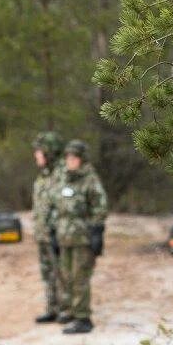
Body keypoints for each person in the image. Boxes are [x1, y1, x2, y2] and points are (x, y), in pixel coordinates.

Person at [52, 139, 108, 334]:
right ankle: (70, 310)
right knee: (65, 275)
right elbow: (57, 207)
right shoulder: (64, 178)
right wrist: (55, 232)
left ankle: (83, 317)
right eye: (68, 156)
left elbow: (100, 208)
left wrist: (97, 233)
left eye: (73, 157)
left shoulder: (90, 180)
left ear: (82, 159)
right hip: (65, 236)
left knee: (79, 277)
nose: (70, 160)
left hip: (82, 238)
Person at [30, 131, 66, 323]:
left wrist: (55, 228)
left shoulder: (62, 174)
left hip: (57, 234)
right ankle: (52, 308)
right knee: (47, 272)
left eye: (39, 151)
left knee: (62, 272)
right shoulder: (43, 176)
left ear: (49, 153)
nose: (36, 155)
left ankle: (66, 309)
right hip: (43, 234)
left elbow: (63, 205)